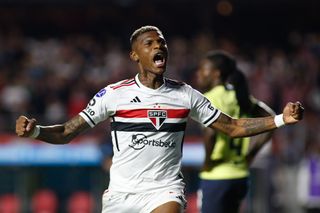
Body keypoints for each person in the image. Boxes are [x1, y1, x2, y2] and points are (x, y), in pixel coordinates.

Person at [15, 26, 304, 213]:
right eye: (149, 43)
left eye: (162, 42)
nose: (158, 47)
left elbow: (232, 126)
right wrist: (35, 131)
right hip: (121, 195)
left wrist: (280, 119)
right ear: (135, 55)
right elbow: (67, 131)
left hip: (163, 191)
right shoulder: (114, 95)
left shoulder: (185, 95)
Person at [196, 50, 276, 213]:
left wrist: (207, 162)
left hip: (217, 175)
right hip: (240, 174)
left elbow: (210, 134)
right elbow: (272, 119)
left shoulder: (210, 97)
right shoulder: (240, 96)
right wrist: (251, 153)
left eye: (204, 69)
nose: (199, 74)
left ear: (216, 73)